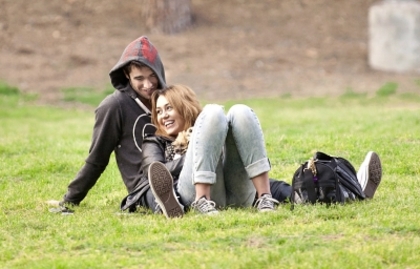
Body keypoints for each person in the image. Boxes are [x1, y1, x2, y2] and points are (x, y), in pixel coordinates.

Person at [50, 36, 167, 213]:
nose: (148, 84)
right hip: (148, 187)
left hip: (182, 172)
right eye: (139, 78)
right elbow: (97, 158)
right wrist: (70, 200)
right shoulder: (114, 107)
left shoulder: (169, 100)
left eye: (152, 76)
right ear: (127, 75)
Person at [140, 84, 285, 217]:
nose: (163, 116)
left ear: (185, 107)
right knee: (213, 111)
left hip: (237, 192)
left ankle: (265, 197)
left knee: (241, 111)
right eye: (158, 112)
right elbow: (154, 171)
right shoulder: (155, 141)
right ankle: (202, 199)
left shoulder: (212, 128)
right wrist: (201, 153)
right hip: (189, 193)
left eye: (169, 108)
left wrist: (291, 191)